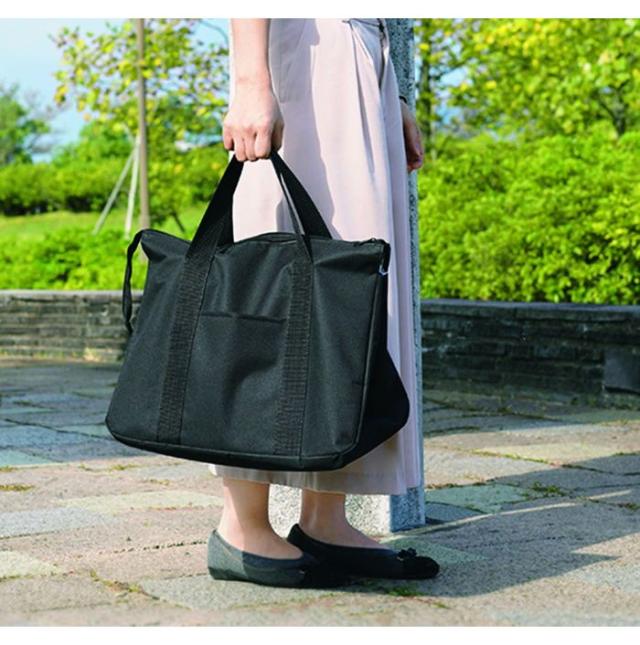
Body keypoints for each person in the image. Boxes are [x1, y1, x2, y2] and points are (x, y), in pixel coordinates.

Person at [206, 18, 439, 588]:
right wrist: (251, 81)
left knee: (350, 300)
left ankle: (325, 520)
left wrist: (393, 91)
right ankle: (241, 525)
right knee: (272, 285)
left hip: (362, 58)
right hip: (302, 55)